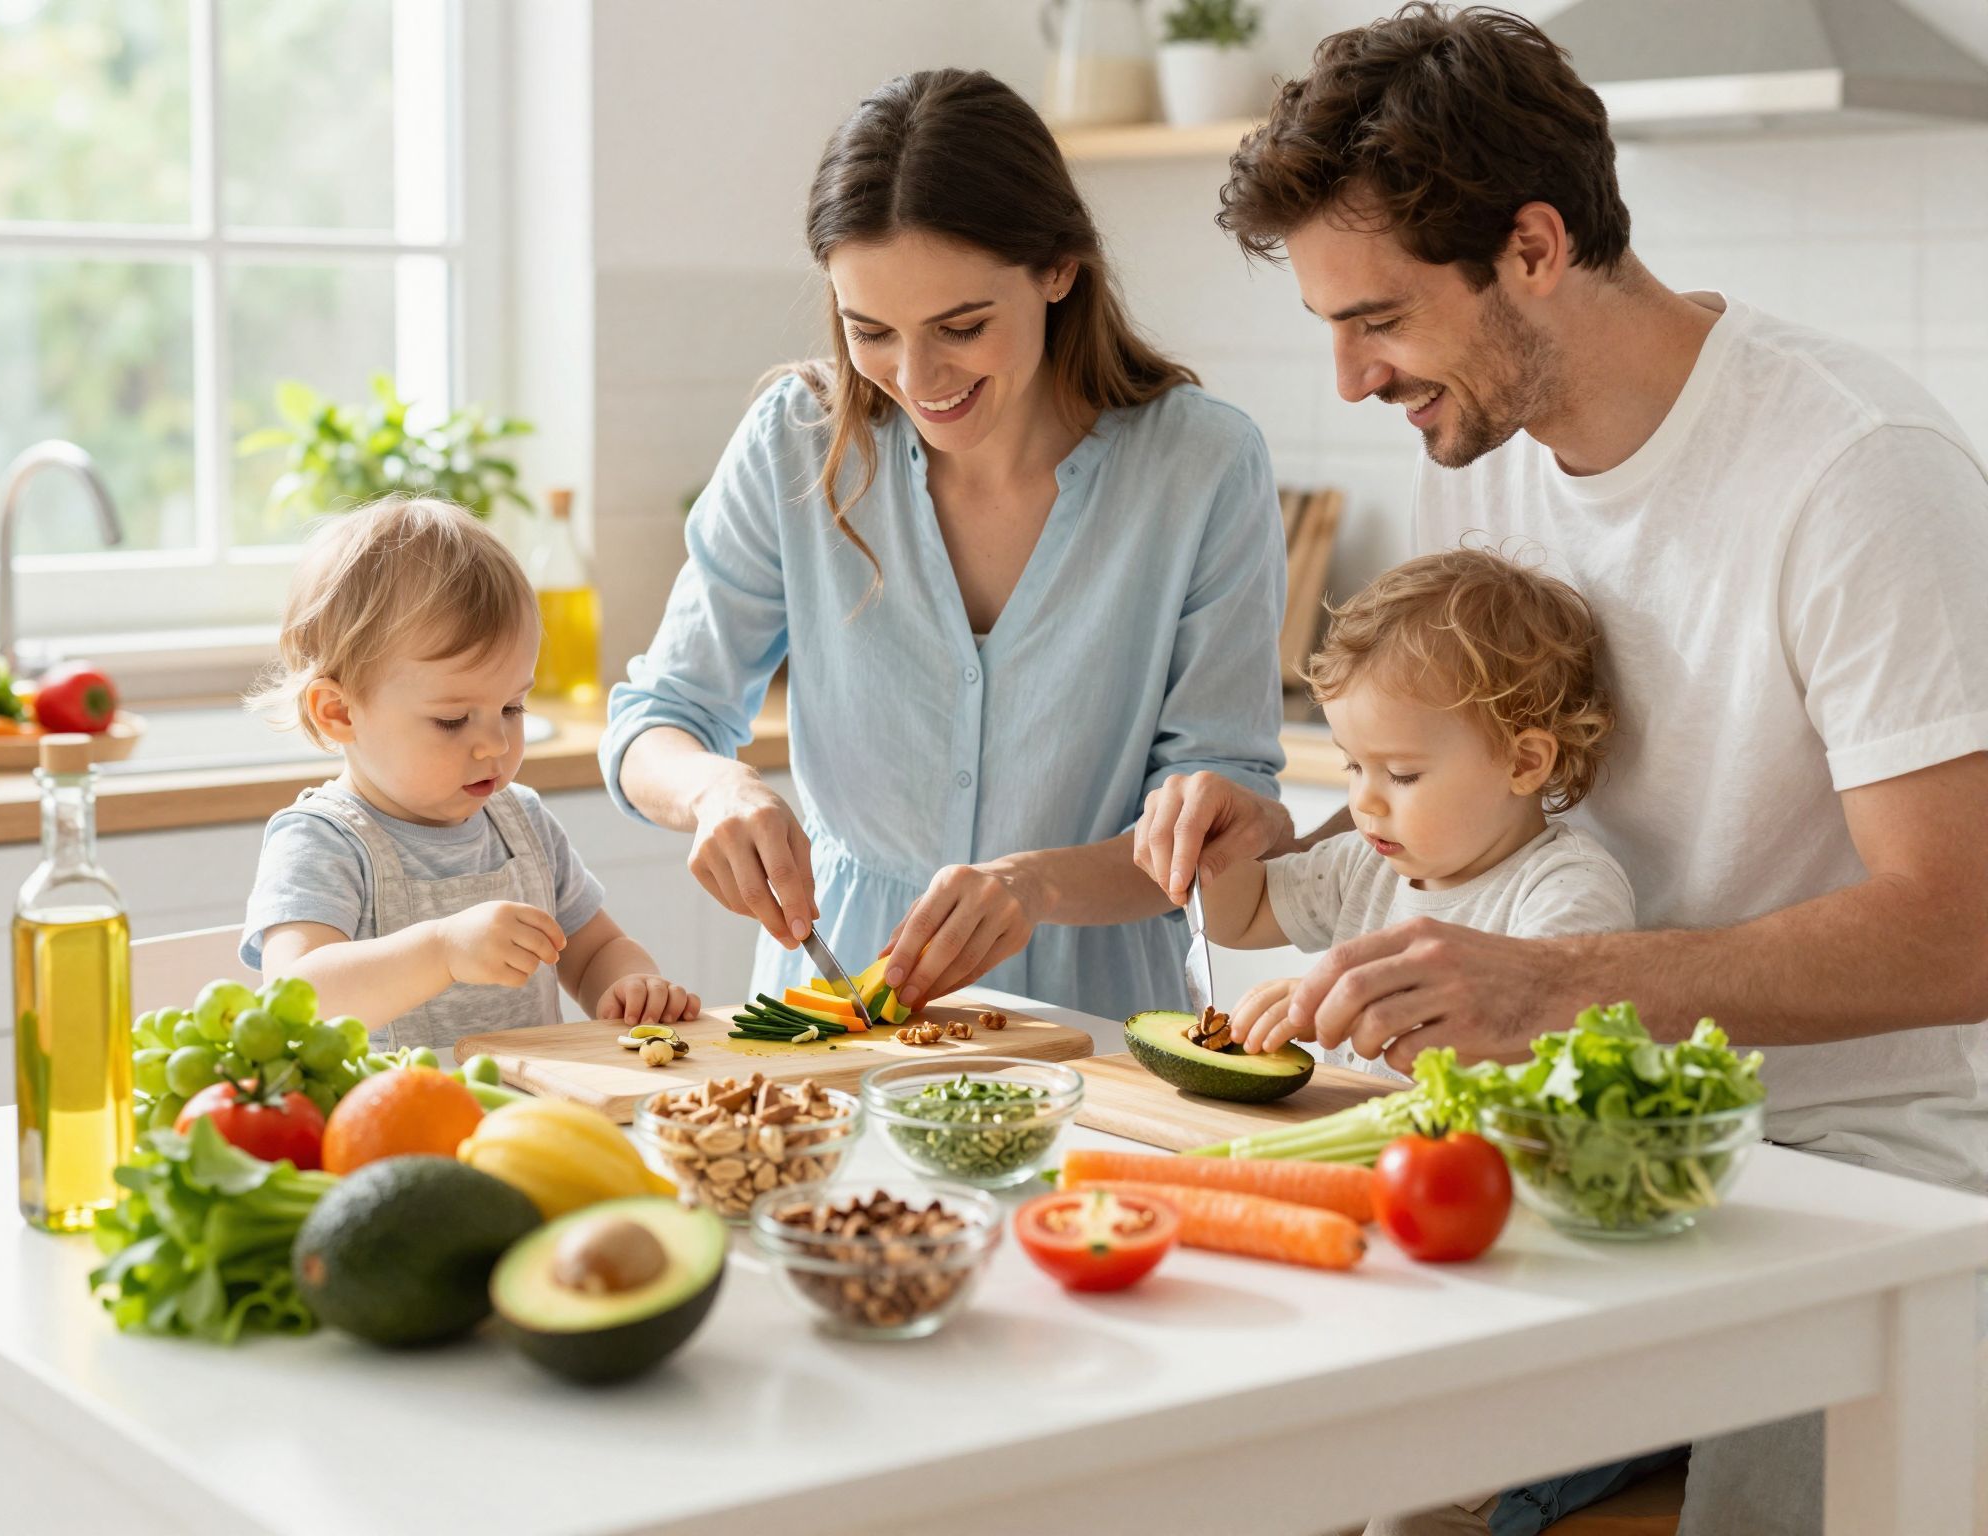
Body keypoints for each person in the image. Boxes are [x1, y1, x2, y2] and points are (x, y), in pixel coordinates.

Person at [1135, 6, 1988, 1532]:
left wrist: (1557, 985)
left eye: (1378, 319)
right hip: (1564, 1141)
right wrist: (1305, 841)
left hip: (1842, 1172)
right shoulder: (1483, 448)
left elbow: (1966, 925)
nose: (1347, 377)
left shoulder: (1858, 476)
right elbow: (1485, 822)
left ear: (1532, 246)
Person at [603, 69, 1285, 1023]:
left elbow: (1218, 814)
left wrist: (1035, 887)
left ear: (1058, 270)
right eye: (869, 330)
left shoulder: (1202, 465)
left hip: (1096, 1033)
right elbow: (655, 721)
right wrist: (715, 791)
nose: (916, 380)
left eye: (961, 327)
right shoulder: (796, 441)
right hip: (828, 1013)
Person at [241, 497, 701, 1050]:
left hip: (528, 1125)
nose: (496, 744)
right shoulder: (322, 841)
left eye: (512, 708)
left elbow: (595, 949)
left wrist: (631, 983)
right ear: (338, 712)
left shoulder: (521, 823)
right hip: (388, 1131)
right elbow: (296, 997)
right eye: (452, 720)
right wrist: (441, 950)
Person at [1194, 549, 1632, 1080]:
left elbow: (1544, 1035)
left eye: (1401, 774)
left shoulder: (1566, 888)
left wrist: (1331, 1005)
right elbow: (1240, 915)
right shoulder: (1364, 863)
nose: (1364, 802)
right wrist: (1204, 846)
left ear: (1524, 762)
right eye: (1353, 765)